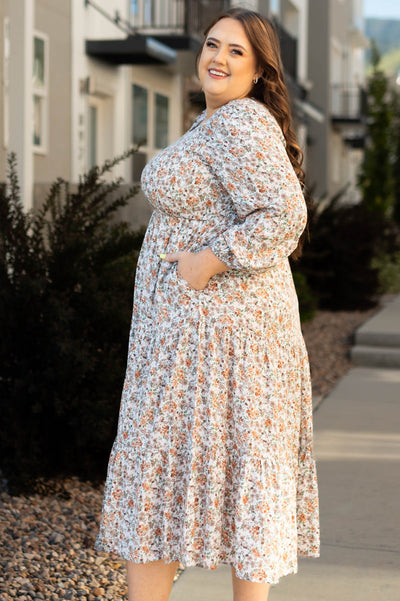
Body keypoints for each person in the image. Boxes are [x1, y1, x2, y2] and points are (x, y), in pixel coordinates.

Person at [95, 7, 320, 601]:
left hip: (221, 343)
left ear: (259, 72)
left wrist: (207, 259)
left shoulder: (242, 121)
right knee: (185, 478)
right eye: (211, 44)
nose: (217, 58)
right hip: (187, 343)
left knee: (199, 476)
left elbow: (286, 214)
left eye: (236, 52)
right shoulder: (213, 124)